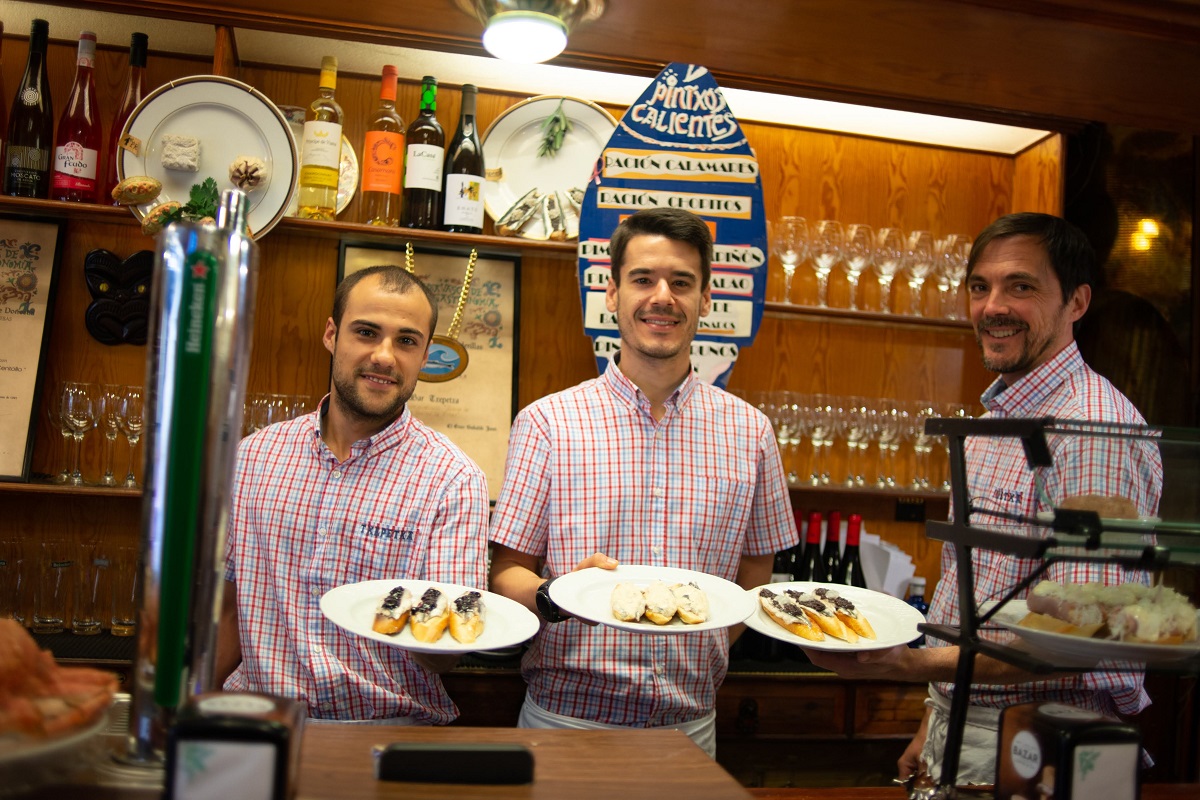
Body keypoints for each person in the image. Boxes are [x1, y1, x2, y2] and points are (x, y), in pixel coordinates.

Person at [803, 212, 1163, 784]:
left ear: (1077, 302)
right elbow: (969, 590)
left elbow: (1088, 634)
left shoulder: (1092, 430)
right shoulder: (1000, 417)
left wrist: (907, 662)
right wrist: (935, 712)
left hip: (1042, 736)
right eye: (980, 286)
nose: (993, 305)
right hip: (971, 719)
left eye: (1021, 286)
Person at [487, 207, 798, 757]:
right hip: (563, 724)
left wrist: (701, 642)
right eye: (643, 279)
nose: (662, 296)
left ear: (705, 299)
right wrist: (556, 598)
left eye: (682, 282)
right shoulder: (546, 423)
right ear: (612, 294)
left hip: (691, 732)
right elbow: (507, 570)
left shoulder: (751, 432)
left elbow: (756, 572)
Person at [215, 265, 490, 724]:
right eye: (366, 332)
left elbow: (447, 654)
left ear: (425, 355)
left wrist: (433, 622)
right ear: (331, 334)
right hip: (253, 721)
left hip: (383, 729)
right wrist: (186, 711)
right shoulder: (253, 457)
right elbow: (227, 612)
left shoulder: (453, 479)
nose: (384, 356)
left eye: (406, 341)